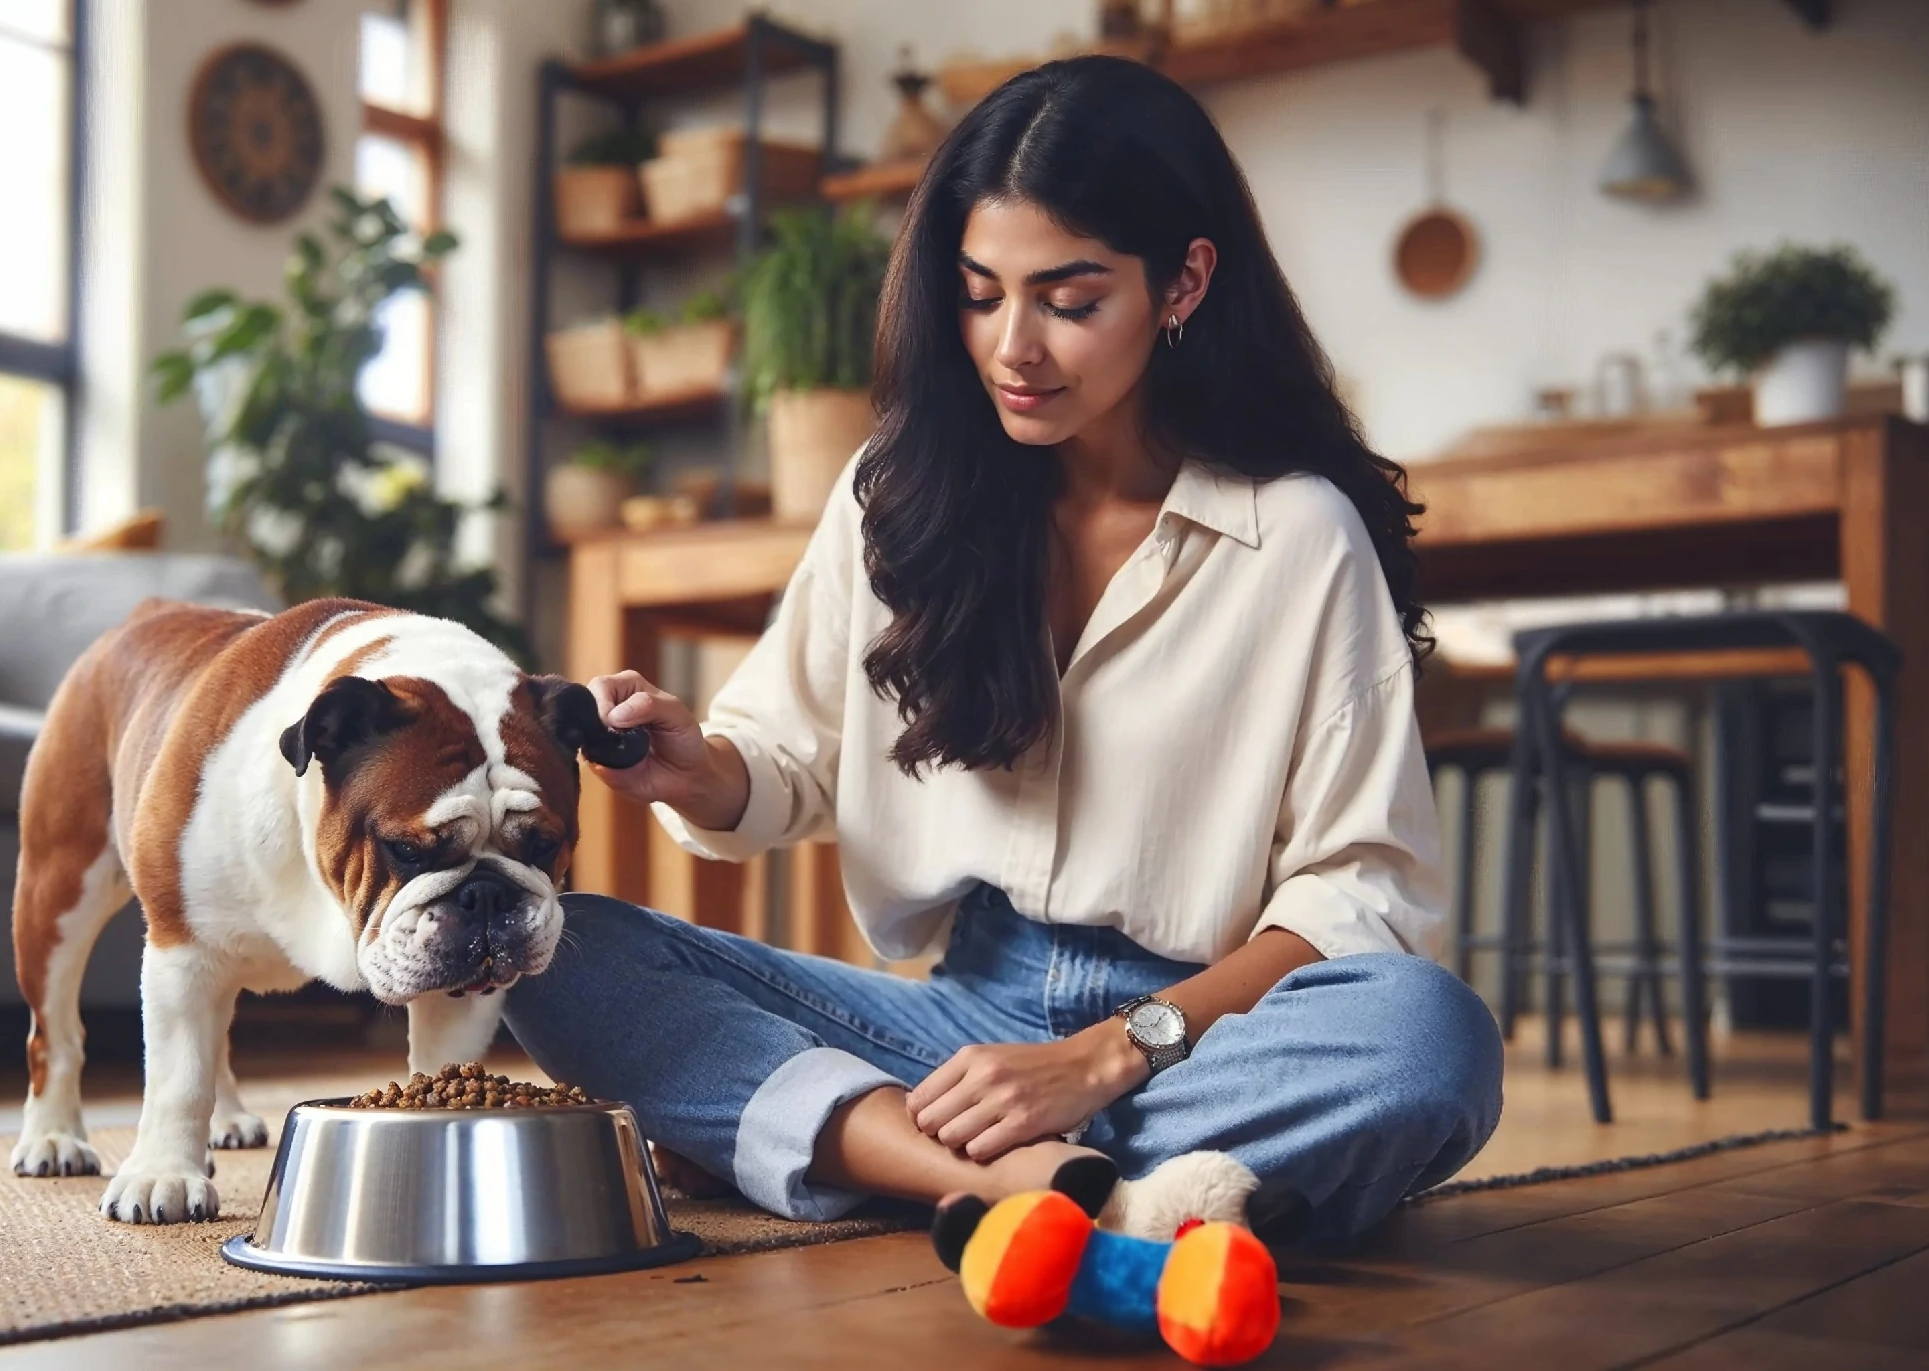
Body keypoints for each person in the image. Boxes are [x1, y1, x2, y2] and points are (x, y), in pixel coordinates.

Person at [505, 56, 1501, 1248]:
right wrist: (702, 771)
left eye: (1070, 302)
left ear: (1184, 282)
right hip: (954, 1037)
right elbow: (793, 756)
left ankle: (883, 1151)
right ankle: (1033, 1188)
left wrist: (1108, 1056)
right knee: (561, 948)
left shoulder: (1295, 535)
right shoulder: (899, 490)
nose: (1013, 348)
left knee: (1428, 1037)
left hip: (1200, 1037)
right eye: (982, 295)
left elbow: (1361, 890)